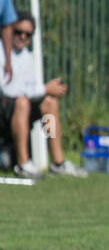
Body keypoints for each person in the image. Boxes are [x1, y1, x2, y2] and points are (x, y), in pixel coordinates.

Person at [0, 12, 86, 177]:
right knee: (22, 102)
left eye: (28, 34)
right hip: (4, 108)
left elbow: (31, 88)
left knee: (49, 103)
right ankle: (23, 164)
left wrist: (46, 92)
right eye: (19, 32)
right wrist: (44, 89)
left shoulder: (26, 56)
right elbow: (7, 90)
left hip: (20, 107)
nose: (23, 37)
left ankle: (58, 162)